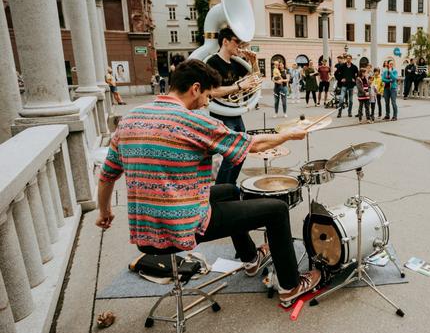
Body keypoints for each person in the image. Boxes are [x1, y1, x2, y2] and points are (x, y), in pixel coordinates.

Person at [96, 59, 320, 306]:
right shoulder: (192, 122)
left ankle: (251, 259)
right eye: (207, 94)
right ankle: (291, 285)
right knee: (276, 210)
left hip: (145, 231)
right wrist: (289, 134)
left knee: (229, 190)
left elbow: (107, 176)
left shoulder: (130, 119)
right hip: (180, 227)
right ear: (195, 88)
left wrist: (104, 212)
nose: (207, 101)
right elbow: (252, 144)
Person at [206, 27, 262, 185]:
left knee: (242, 151)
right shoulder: (213, 62)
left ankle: (231, 185)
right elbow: (211, 91)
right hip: (221, 114)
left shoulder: (235, 63)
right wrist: (238, 87)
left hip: (235, 113)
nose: (240, 46)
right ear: (225, 41)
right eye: (237, 42)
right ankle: (223, 189)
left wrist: (254, 62)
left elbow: (255, 79)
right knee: (232, 154)